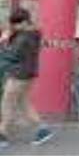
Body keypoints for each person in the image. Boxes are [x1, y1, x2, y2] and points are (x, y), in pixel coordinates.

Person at [0, 8, 53, 148]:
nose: (14, 26)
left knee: (7, 103)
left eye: (16, 24)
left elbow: (11, 55)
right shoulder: (33, 33)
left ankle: (2, 135)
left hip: (19, 75)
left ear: (23, 22)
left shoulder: (24, 38)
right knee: (23, 103)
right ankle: (42, 129)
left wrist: (3, 42)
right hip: (28, 74)